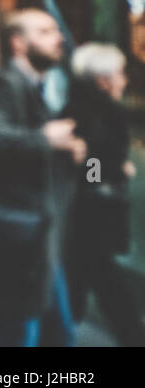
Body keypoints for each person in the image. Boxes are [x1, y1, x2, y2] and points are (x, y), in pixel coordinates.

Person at [0, 9, 84, 347]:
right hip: (16, 243)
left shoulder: (33, 88)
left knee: (57, 336)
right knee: (20, 336)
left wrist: (61, 150)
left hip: (35, 239)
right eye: (44, 32)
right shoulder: (3, 83)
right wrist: (46, 139)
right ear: (18, 42)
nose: (57, 37)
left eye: (56, 30)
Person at [63, 43, 145, 345]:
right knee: (104, 280)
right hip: (90, 214)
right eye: (120, 74)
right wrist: (115, 171)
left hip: (80, 215)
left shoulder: (80, 106)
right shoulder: (101, 112)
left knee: (80, 278)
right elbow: (91, 164)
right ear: (103, 80)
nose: (124, 80)